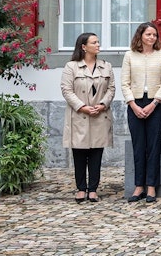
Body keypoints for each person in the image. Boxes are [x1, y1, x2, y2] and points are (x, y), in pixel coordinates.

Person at [60, 33, 115, 202]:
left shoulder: (106, 66)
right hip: (79, 116)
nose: (98, 45)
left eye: (98, 41)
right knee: (79, 154)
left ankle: (93, 189)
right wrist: (82, 107)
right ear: (84, 47)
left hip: (100, 115)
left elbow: (111, 89)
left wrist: (103, 104)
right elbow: (66, 90)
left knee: (96, 154)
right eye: (94, 42)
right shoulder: (71, 67)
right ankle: (81, 188)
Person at [121, 22, 161, 203]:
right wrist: (133, 105)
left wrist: (154, 103)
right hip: (135, 103)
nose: (152, 38)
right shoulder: (130, 56)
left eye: (154, 35)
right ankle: (138, 186)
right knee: (138, 146)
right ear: (140, 35)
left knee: (154, 146)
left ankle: (151, 187)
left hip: (155, 105)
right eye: (148, 34)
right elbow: (125, 83)